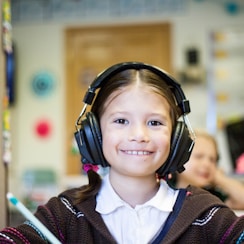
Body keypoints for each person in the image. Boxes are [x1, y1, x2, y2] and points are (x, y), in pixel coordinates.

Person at [0, 62, 243, 243]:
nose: (139, 135)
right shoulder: (66, 213)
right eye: (121, 121)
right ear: (93, 134)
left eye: (155, 123)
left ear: (177, 137)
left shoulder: (207, 215)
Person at [168, 129, 244, 210]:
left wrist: (220, 179)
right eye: (199, 156)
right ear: (178, 159)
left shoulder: (213, 197)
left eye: (212, 160)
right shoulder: (165, 190)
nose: (207, 164)